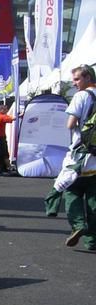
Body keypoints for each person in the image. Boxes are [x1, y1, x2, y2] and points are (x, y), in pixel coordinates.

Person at [61, 64, 96, 250]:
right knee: (93, 199)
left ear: (88, 78)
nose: (75, 83)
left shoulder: (81, 96)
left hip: (80, 154)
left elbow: (70, 123)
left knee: (72, 191)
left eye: (77, 79)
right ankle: (92, 241)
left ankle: (78, 224)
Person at [0, 104, 14, 175]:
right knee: (4, 153)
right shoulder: (2, 116)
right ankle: (7, 167)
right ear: (1, 110)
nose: (7, 110)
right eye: (5, 109)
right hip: (0, 137)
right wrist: (20, 115)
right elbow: (11, 119)